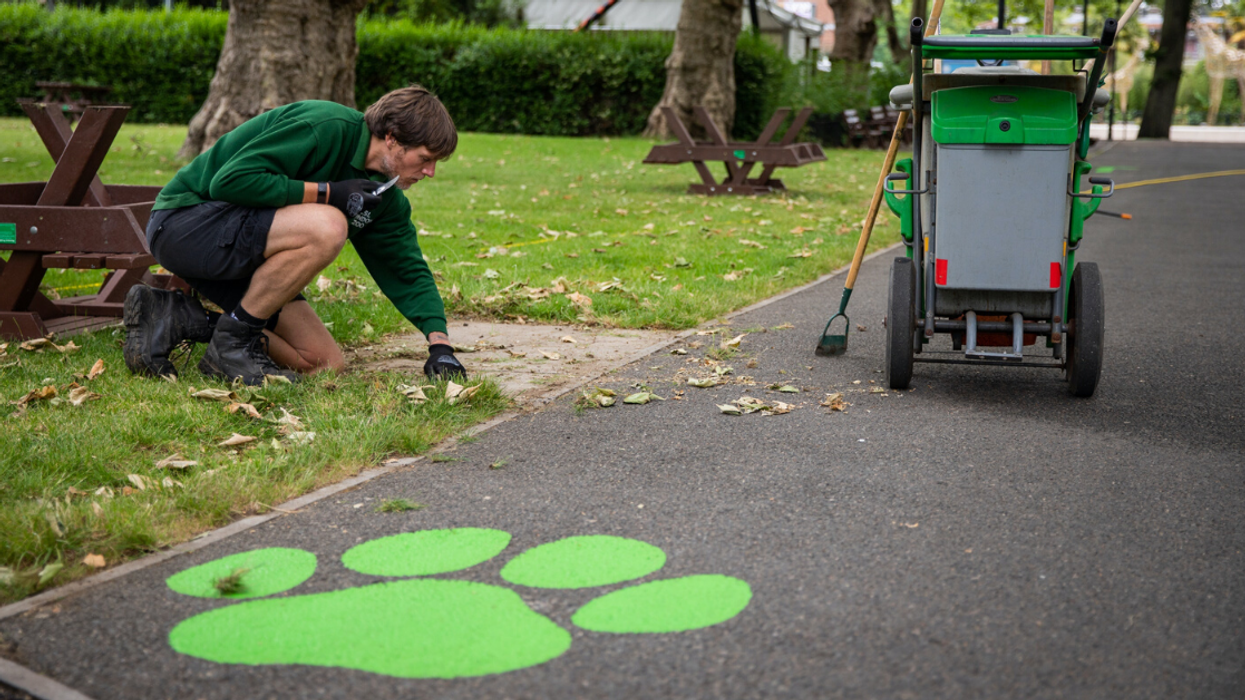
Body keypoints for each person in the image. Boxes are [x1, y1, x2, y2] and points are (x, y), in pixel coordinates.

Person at [123, 85, 466, 386]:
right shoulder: (325, 125)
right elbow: (230, 181)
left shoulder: (384, 196)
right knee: (329, 226)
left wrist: (441, 347)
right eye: (425, 159)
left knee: (321, 362)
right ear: (392, 137)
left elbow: (405, 267)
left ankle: (182, 319)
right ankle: (232, 347)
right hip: (185, 225)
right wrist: (329, 193)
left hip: (242, 255)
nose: (430, 172)